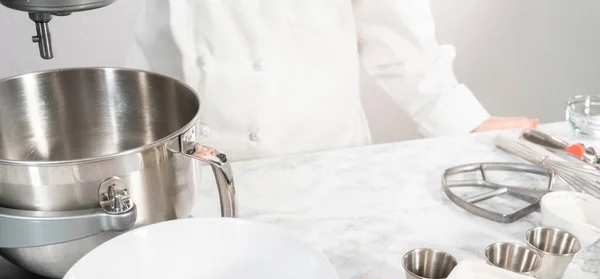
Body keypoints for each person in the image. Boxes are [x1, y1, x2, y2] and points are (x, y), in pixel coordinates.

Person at [127, 0, 538, 161]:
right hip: (183, 157)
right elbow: (153, 39)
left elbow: (397, 35)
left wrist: (463, 121)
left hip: (312, 156)